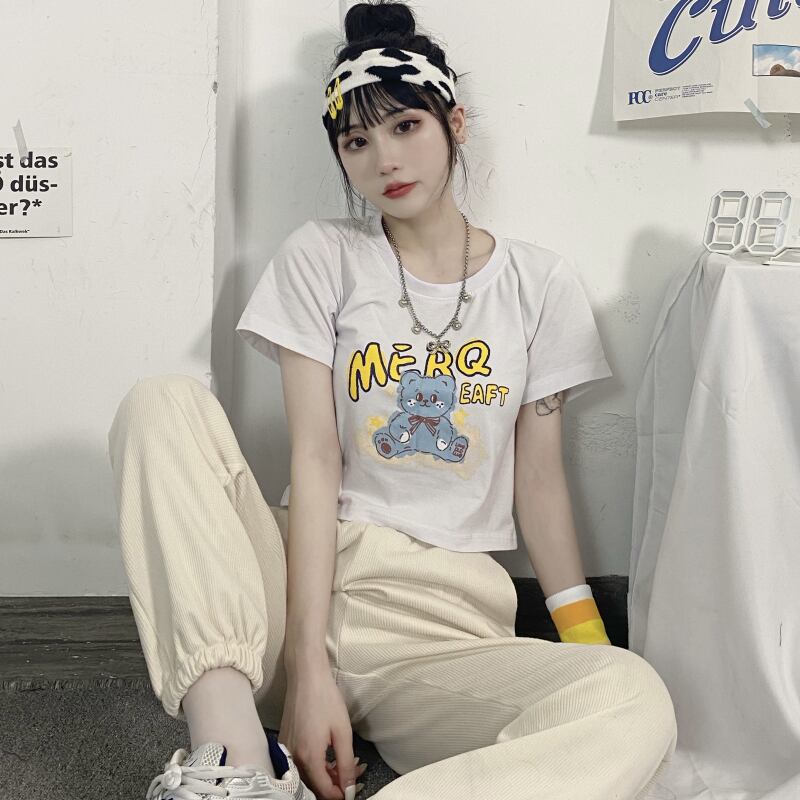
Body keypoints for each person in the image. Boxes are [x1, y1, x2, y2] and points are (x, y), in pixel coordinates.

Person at [106, 2, 678, 798]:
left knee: (633, 698)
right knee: (161, 402)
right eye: (357, 141)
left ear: (454, 123)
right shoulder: (323, 256)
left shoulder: (537, 283)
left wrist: (586, 642)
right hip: (290, 591)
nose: (385, 158)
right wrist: (307, 666)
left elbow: (539, 480)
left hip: (440, 633)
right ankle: (238, 763)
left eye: (406, 126)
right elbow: (316, 456)